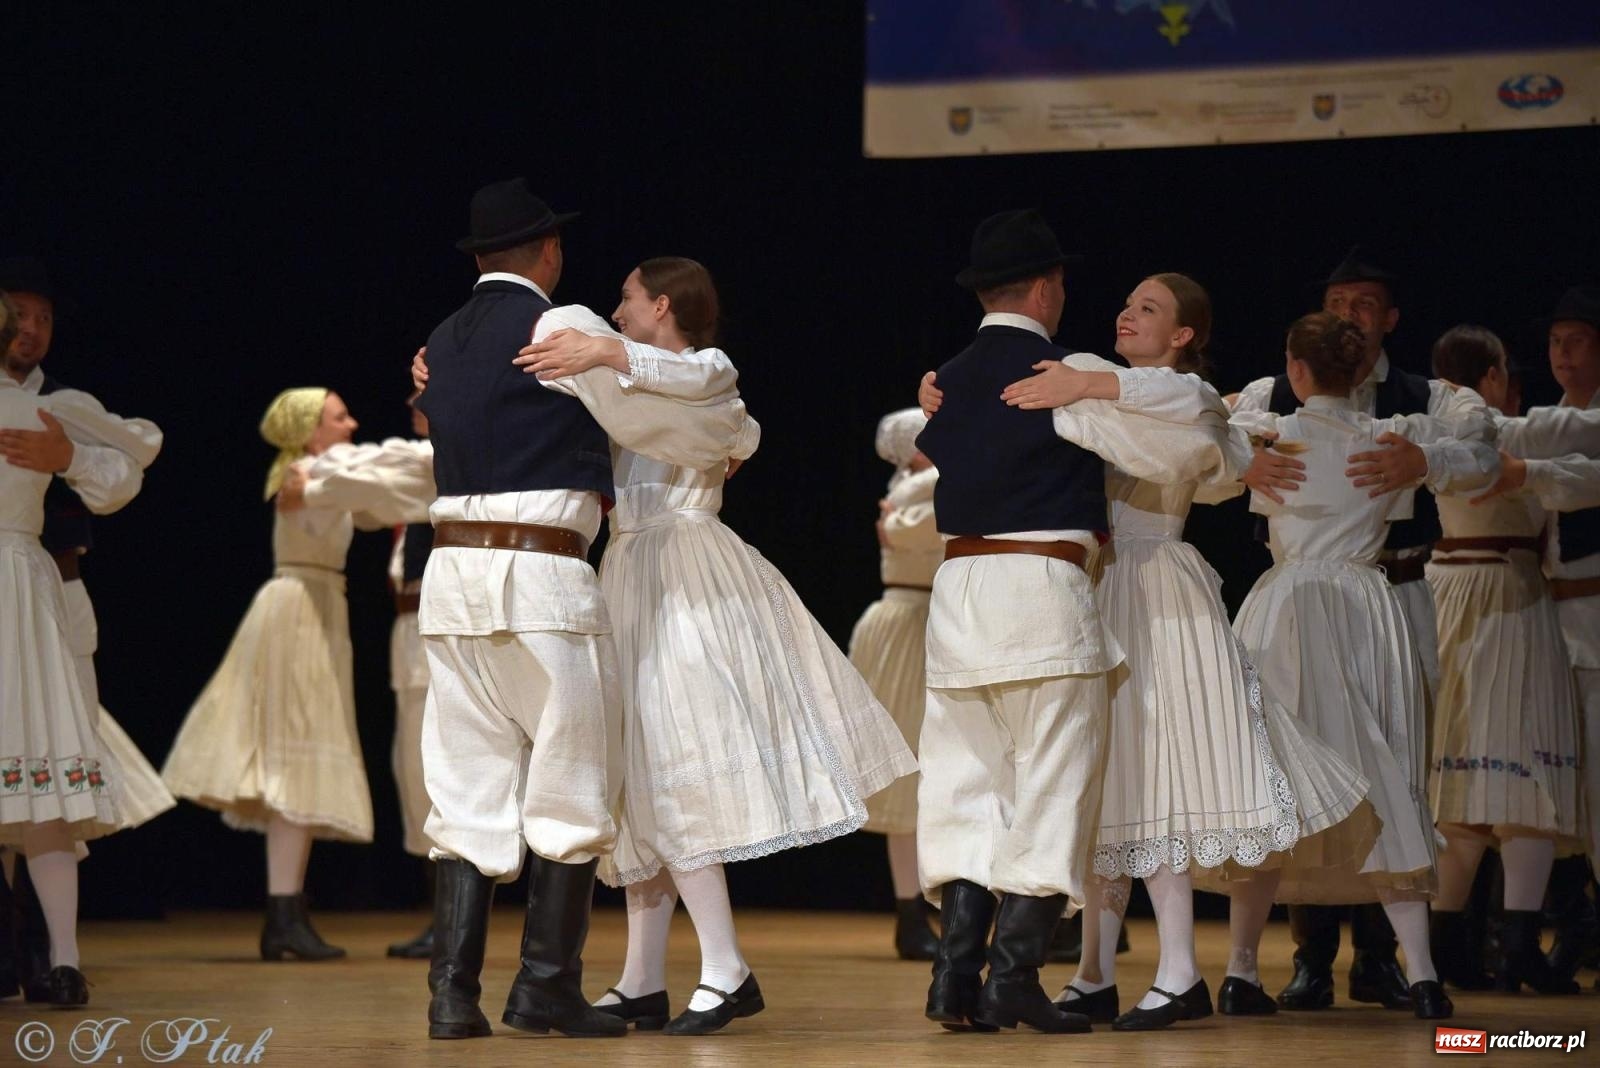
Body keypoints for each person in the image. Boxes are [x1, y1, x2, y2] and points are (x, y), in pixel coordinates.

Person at [924, 273, 1376, 1029]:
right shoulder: (1094, 386)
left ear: (1183, 336)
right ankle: (1095, 969)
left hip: (1157, 593)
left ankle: (1175, 971)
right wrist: (948, 395)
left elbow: (1202, 427)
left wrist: (1087, 384)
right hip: (1093, 592)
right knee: (1109, 789)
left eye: (1149, 309)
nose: (1127, 313)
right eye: (1126, 302)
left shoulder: (1151, 392)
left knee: (1159, 773)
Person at [508, 259, 915, 1034]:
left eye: (627, 300)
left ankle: (727, 968)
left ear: (662, 304)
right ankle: (641, 978)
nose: (616, 313)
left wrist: (606, 354)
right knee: (638, 776)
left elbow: (709, 387)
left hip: (687, 575)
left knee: (677, 764)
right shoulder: (628, 389)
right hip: (630, 572)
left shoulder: (711, 379)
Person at [413, 180, 758, 1041]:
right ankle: (544, 988)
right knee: (568, 785)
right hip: (540, 578)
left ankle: (452, 999)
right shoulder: (564, 324)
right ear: (551, 253)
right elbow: (678, 421)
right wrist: (718, 442)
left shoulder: (440, 342)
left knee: (464, 786)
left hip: (452, 580)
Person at [912, 210, 1269, 1035]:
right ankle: (1013, 978)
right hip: (1040, 590)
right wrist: (1101, 389)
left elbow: (941, 439)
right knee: (1052, 781)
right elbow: (1180, 450)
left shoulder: (952, 375)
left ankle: (953, 978)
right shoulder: (1059, 370)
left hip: (957, 589)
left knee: (970, 785)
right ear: (1044, 288)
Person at [1229, 248, 1498, 1011]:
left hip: (1288, 608)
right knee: (1382, 771)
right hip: (1362, 607)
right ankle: (1421, 973)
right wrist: (1419, 459)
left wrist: (1239, 458)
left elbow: (1202, 427)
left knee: (1273, 778)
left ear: (1298, 367)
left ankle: (1241, 968)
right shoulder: (1388, 433)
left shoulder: (1271, 430)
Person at [163, 387, 431, 960]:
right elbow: (385, 491)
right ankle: (284, 913)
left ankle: (286, 912)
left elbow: (379, 506)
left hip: (316, 603)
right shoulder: (313, 471)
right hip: (301, 608)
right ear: (312, 431)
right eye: (339, 416)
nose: (353, 421)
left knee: (298, 752)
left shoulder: (312, 474)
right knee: (295, 750)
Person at [0, 256, 174, 996]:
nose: (30, 330)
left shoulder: (52, 406)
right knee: (28, 769)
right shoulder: (33, 405)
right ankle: (36, 958)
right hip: (22, 584)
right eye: (19, 317)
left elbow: (136, 449)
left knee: (36, 760)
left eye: (42, 319)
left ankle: (59, 957)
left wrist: (68, 456)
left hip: (35, 595)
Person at [1424, 324, 1599, 995]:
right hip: (1507, 594)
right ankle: (1519, 941)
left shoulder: (1430, 432)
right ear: (1494, 377)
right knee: (1524, 777)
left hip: (1448, 594)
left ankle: (1446, 947)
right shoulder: (1500, 433)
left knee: (1458, 782)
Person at [849, 408, 942, 961]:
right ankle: (912, 912)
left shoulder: (910, 488)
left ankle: (934, 906)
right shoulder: (919, 486)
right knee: (908, 773)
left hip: (935, 619)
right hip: (909, 622)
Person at [1536, 285, 1600, 989]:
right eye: (1556, 342)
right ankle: (1571, 925)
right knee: (1561, 784)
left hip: (1595, 622)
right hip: (1555, 623)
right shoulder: (1551, 420)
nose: (1563, 353)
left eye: (1577, 340)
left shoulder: (1576, 430)